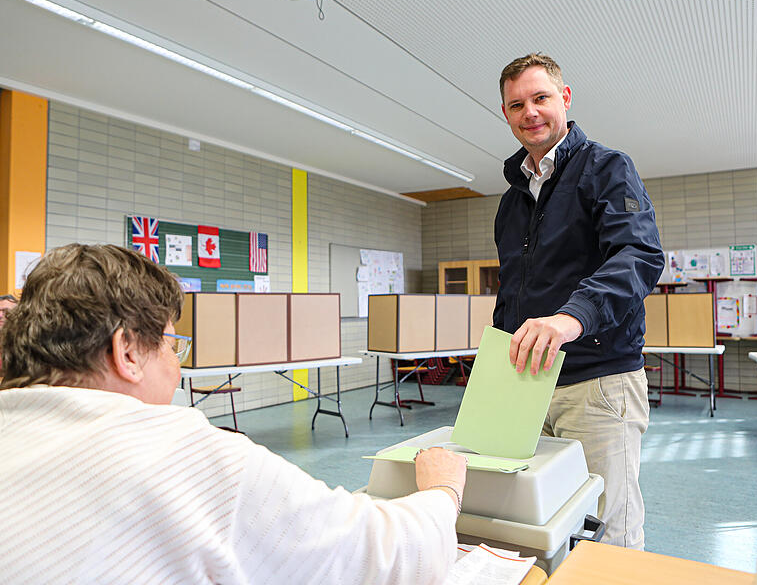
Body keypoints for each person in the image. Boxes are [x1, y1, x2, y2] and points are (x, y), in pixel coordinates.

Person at [0, 244, 466, 584]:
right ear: (126, 352)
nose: (177, 364)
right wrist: (443, 490)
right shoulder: (179, 453)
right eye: (170, 343)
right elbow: (386, 557)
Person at [494, 53, 664, 549]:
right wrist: (496, 370)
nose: (530, 112)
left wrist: (572, 318)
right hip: (526, 384)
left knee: (608, 529)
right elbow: (512, 291)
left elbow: (638, 254)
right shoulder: (511, 199)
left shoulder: (607, 168)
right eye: (516, 104)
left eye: (540, 98)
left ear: (564, 98)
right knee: (539, 520)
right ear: (505, 114)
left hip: (598, 381)